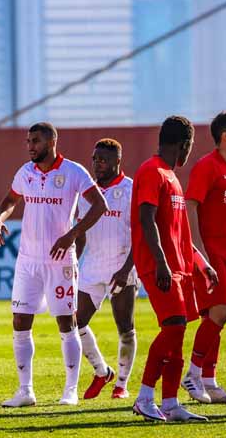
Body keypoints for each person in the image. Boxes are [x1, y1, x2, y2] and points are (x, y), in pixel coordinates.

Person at [0, 122, 108, 407]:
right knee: (20, 321)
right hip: (28, 260)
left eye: (36, 141)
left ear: (52, 141)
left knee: (66, 322)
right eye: (28, 141)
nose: (30, 146)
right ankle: (25, 391)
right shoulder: (26, 172)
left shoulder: (74, 172)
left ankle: (70, 390)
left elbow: (100, 205)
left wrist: (72, 234)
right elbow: (10, 200)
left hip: (60, 261)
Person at [131, 115, 214, 422]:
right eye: (189, 147)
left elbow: (178, 233)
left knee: (177, 334)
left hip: (179, 268)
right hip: (159, 267)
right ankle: (144, 397)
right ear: (184, 144)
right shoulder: (152, 171)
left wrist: (201, 263)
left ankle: (170, 403)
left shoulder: (171, 176)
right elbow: (146, 219)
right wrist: (162, 263)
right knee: (174, 326)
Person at [182, 109, 226, 404]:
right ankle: (193, 375)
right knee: (219, 313)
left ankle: (209, 381)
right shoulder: (207, 166)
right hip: (210, 254)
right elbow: (190, 205)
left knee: (219, 316)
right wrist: (200, 254)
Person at [74, 138, 138, 400]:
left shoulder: (131, 189)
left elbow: (142, 234)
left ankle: (121, 384)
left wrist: (126, 269)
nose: (97, 164)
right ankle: (102, 371)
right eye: (95, 159)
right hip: (92, 267)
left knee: (125, 327)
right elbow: (81, 232)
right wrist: (73, 263)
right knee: (75, 322)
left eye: (103, 160)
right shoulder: (87, 191)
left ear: (117, 161)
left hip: (121, 266)